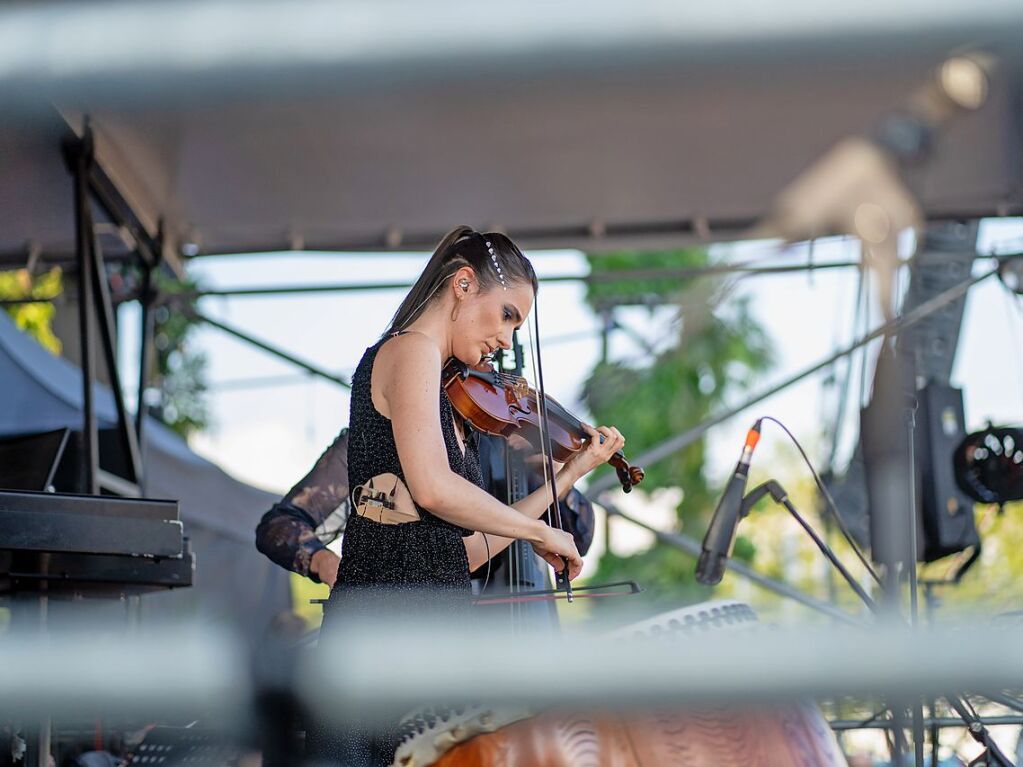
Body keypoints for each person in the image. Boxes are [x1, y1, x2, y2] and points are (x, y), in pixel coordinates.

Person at [309, 225, 625, 766]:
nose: (508, 340)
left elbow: (464, 551)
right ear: (462, 285)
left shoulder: (445, 393)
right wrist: (539, 530)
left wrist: (568, 476)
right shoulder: (410, 352)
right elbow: (433, 487)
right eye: (507, 315)